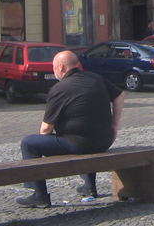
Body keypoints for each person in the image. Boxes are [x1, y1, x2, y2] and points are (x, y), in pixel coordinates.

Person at [17, 51, 124, 208]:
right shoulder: (96, 79)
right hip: (104, 140)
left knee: (29, 143)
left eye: (53, 67)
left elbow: (46, 129)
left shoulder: (60, 89)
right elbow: (120, 95)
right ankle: (89, 187)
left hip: (79, 144)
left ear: (61, 67)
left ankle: (39, 195)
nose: (53, 71)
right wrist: (114, 126)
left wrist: (47, 139)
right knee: (85, 131)